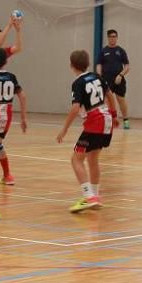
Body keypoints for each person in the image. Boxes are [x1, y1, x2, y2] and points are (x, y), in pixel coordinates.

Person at [57, 49, 116, 212]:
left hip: (94, 120)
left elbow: (75, 108)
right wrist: (115, 114)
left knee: (76, 160)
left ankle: (88, 196)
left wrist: (64, 129)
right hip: (106, 119)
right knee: (92, 159)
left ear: (71, 65)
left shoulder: (77, 83)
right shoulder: (98, 77)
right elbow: (110, 95)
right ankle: (94, 196)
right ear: (88, 63)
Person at [0, 47, 28, 186]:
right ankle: (7, 176)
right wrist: (23, 118)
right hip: (7, 114)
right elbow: (22, 96)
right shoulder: (11, 76)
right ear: (6, 62)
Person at [96, 29, 130, 129]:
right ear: (108, 38)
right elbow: (99, 65)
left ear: (117, 37)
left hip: (118, 80)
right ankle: (109, 121)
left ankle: (126, 121)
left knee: (121, 100)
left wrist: (121, 75)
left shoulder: (121, 51)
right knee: (106, 101)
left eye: (115, 36)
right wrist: (100, 76)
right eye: (111, 36)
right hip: (107, 79)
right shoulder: (103, 51)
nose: (113, 38)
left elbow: (127, 66)